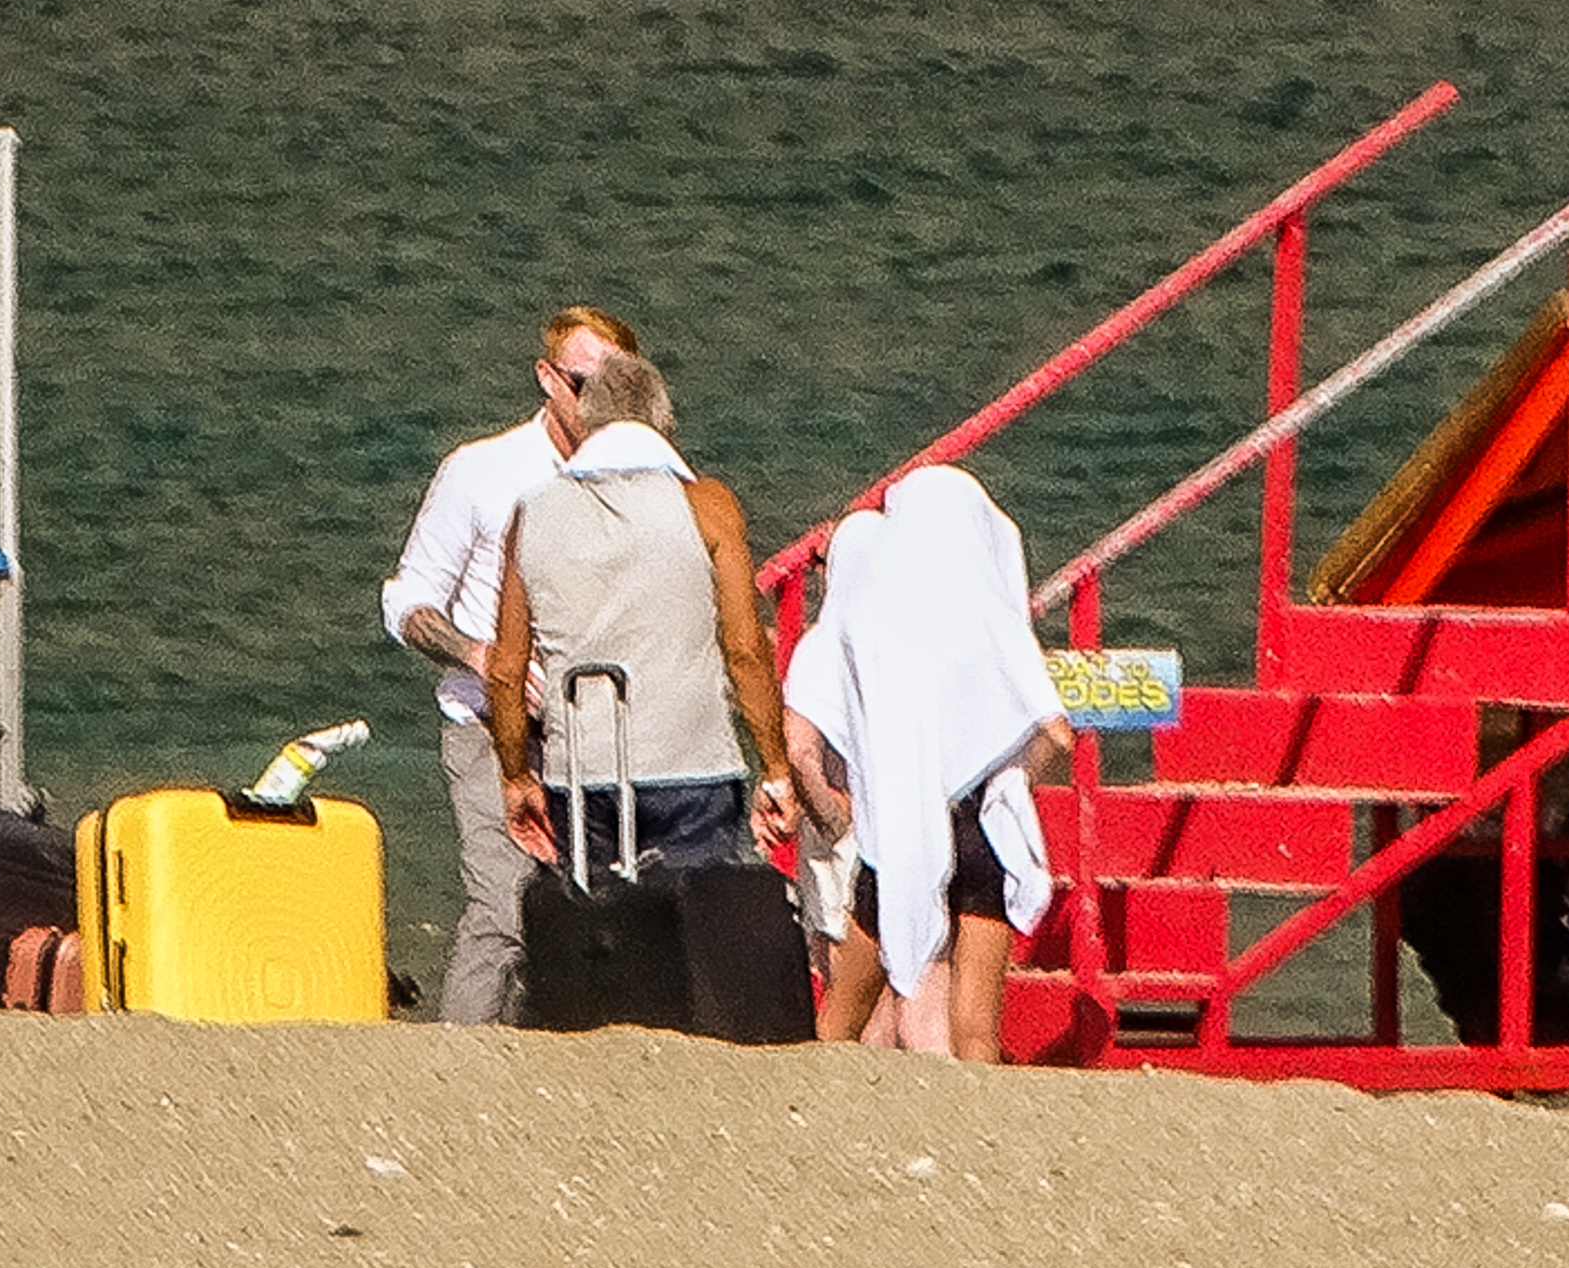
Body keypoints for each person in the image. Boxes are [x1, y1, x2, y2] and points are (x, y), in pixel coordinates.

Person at [379, 301, 643, 1025]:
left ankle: (533, 1062)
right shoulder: (482, 470)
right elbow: (406, 602)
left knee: (586, 911)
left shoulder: (637, 477)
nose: (599, 406)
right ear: (546, 379)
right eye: (584, 385)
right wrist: (481, 653)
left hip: (593, 727)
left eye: (618, 387)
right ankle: (457, 1064)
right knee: (503, 908)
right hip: (486, 722)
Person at [482, 350, 799, 918]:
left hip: (581, 768)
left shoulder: (532, 512)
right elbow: (746, 651)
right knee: (694, 934)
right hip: (693, 762)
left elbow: (506, 666)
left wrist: (514, 776)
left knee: (602, 936)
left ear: (589, 420)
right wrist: (775, 767)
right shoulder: (708, 506)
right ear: (663, 422)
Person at [785, 463, 1065, 1063]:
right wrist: (1011, 777)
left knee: (842, 1014)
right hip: (983, 826)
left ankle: (813, 1115)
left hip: (907, 830)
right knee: (976, 1027)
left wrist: (840, 812)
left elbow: (809, 730)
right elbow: (1057, 733)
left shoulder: (888, 625)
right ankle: (982, 1139)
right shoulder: (990, 620)